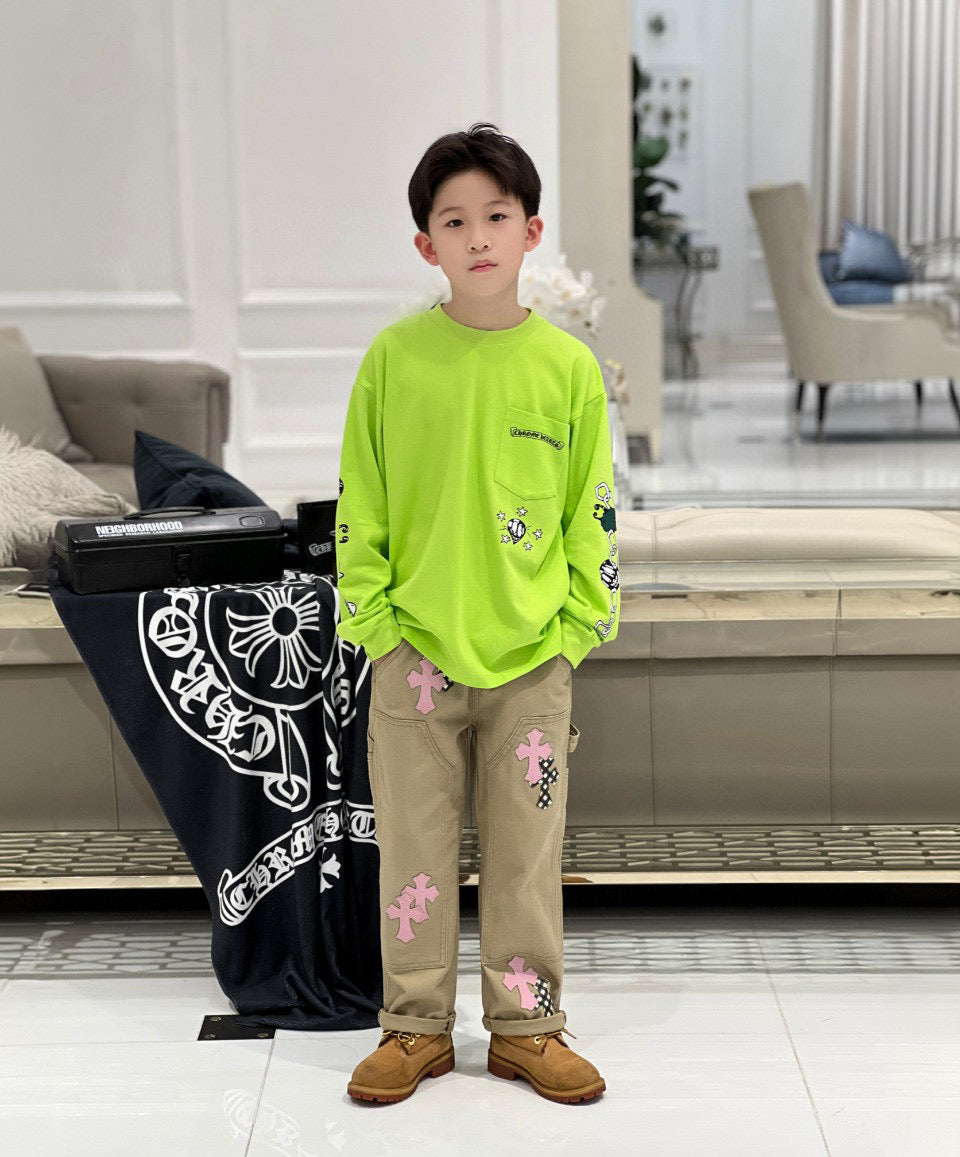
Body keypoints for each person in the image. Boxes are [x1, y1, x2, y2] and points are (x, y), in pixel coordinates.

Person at [334, 123, 620, 1104]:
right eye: (454, 221)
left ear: (531, 230)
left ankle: (527, 1027)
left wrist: (574, 628)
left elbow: (592, 508)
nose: (478, 236)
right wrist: (378, 626)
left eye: (496, 216)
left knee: (527, 857)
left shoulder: (567, 369)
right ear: (428, 244)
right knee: (412, 853)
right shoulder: (394, 360)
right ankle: (413, 1027)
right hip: (411, 653)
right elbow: (360, 501)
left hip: (533, 656)